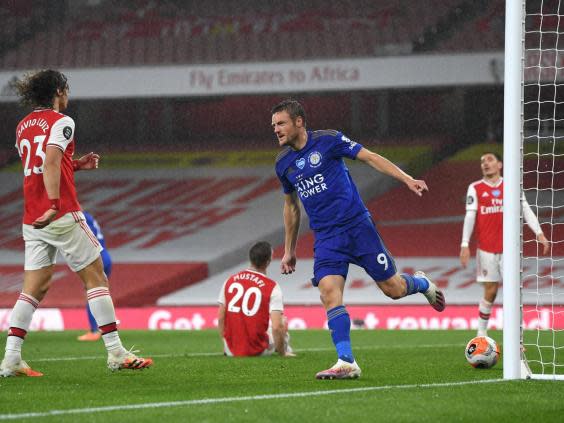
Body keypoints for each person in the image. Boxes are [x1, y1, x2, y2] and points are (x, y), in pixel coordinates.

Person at [272, 99, 445, 380]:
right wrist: (289, 250)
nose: (276, 130)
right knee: (329, 292)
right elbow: (291, 206)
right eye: (274, 125)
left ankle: (423, 283)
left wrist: (406, 178)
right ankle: (346, 361)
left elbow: (370, 157)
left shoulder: (328, 140)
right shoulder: (283, 164)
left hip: (357, 228)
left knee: (394, 289)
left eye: (281, 123)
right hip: (326, 237)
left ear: (299, 122)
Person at [0, 69, 152, 377]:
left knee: (34, 288)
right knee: (96, 277)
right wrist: (56, 204)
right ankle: (115, 352)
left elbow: (39, 167)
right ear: (58, 91)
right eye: (66, 90)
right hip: (60, 213)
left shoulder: (23, 126)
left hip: (32, 218)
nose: (68, 95)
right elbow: (51, 160)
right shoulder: (62, 122)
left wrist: (76, 165)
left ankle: (11, 358)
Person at [460, 152, 549, 337]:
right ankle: (481, 334)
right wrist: (464, 244)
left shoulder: (512, 185)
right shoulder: (475, 187)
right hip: (486, 249)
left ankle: (517, 337)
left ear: (500, 164)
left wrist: (539, 232)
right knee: (491, 291)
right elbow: (470, 215)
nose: (485, 163)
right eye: (482, 161)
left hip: (510, 250)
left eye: (490, 160)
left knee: (513, 293)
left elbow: (525, 208)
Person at [218, 241, 294, 357]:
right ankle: (284, 350)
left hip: (231, 350)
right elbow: (277, 326)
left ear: (250, 258)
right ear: (268, 261)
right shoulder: (272, 287)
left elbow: (221, 317)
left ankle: (228, 348)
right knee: (282, 321)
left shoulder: (229, 281)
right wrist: (283, 353)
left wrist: (226, 346)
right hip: (257, 350)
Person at [77, 211, 112, 342]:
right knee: (102, 293)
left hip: (96, 257)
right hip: (105, 255)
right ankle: (107, 327)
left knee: (92, 293)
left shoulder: (79, 217)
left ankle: (95, 331)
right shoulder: (88, 216)